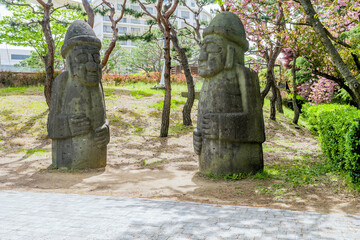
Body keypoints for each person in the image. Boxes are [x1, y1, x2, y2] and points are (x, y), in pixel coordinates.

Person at [193, 12, 265, 175]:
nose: (202, 57)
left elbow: (256, 127)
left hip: (239, 161)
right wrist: (198, 135)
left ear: (231, 52)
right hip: (210, 161)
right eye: (202, 48)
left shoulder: (245, 76)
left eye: (212, 49)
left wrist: (221, 126)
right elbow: (203, 119)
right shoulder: (206, 83)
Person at [47, 20, 109, 169]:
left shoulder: (97, 85)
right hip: (69, 157)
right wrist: (68, 125)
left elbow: (104, 118)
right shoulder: (62, 81)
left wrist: (106, 130)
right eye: (82, 58)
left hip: (97, 159)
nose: (92, 65)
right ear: (69, 60)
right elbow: (51, 126)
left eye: (96, 58)